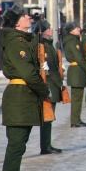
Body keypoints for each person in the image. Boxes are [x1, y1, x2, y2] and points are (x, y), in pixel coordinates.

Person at [0, 5, 49, 171]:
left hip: (24, 97)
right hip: (20, 98)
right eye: (24, 16)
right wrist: (44, 91)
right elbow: (27, 73)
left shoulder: (23, 40)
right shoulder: (16, 43)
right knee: (16, 148)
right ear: (17, 22)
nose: (29, 17)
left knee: (18, 147)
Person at [33, 20, 63, 155]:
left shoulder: (48, 45)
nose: (51, 30)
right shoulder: (39, 45)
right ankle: (45, 146)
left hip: (52, 81)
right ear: (42, 31)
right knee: (47, 117)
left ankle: (46, 144)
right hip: (48, 83)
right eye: (48, 29)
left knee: (49, 117)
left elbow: (53, 65)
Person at [63, 21, 86, 127]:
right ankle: (75, 120)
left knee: (78, 98)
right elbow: (79, 58)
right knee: (77, 98)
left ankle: (77, 119)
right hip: (77, 71)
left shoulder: (74, 41)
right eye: (76, 28)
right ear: (71, 31)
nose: (79, 29)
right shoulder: (73, 42)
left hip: (77, 70)